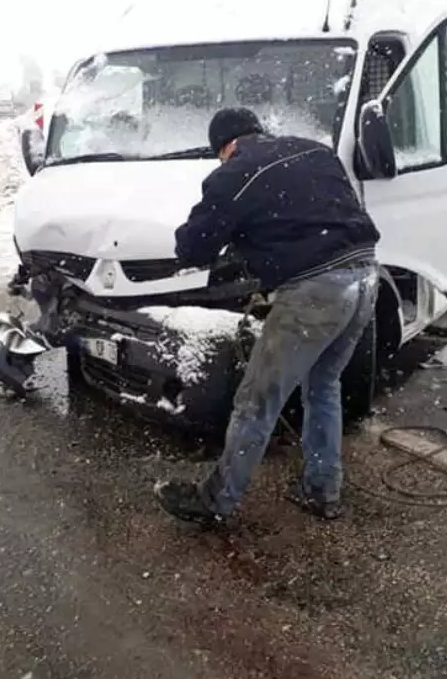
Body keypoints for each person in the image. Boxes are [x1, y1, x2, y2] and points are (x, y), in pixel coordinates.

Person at [154, 107, 380, 526]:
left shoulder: (232, 174)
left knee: (256, 401)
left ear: (224, 147)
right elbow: (316, 213)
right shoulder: (314, 150)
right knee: (323, 386)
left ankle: (216, 501)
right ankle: (322, 489)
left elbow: (193, 248)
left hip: (316, 293)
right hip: (366, 277)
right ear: (258, 130)